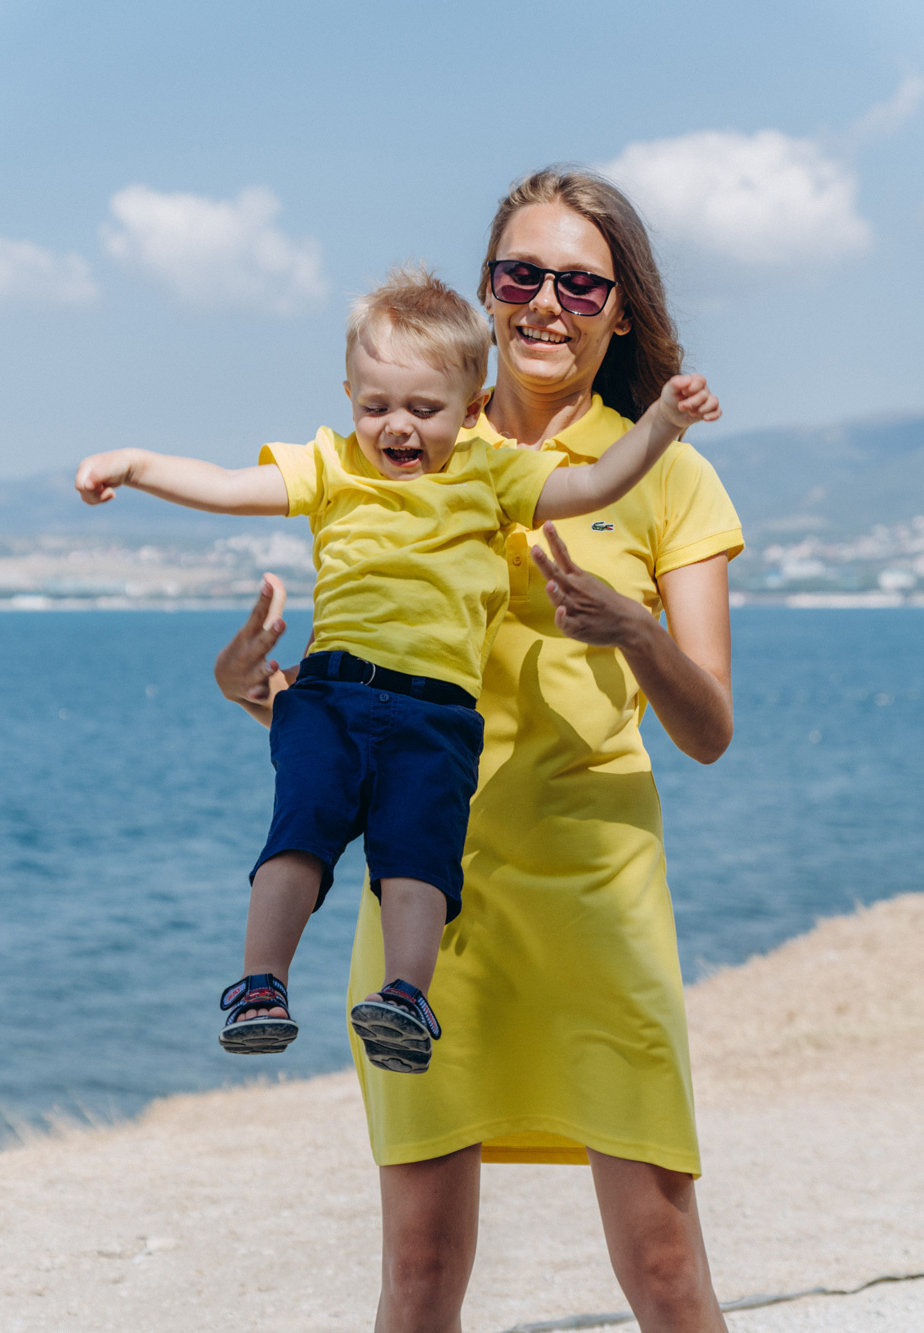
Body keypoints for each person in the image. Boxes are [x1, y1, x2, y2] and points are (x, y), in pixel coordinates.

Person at [215, 167, 744, 1333]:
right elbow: (354, 705)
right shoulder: (395, 446)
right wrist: (257, 694)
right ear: (486, 295)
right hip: (426, 906)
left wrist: (634, 630)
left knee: (662, 1264)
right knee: (417, 1271)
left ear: (620, 307)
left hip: (597, 906)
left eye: (579, 281)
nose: (546, 301)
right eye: (520, 273)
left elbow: (706, 727)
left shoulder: (665, 473)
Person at [75, 265, 721, 1079]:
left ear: (471, 400)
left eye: (424, 409)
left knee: (418, 857)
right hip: (331, 692)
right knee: (298, 833)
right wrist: (137, 464)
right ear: (347, 394)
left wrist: (663, 421)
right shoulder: (333, 466)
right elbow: (233, 487)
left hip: (437, 713)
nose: (396, 427)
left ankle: (405, 996)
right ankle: (260, 985)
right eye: (375, 405)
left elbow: (594, 481)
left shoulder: (494, 476)